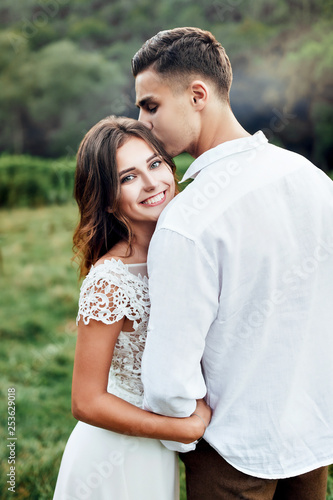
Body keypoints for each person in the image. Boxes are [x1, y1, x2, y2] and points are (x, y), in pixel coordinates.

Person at [131, 27, 333, 499]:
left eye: (150, 105)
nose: (141, 122)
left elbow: (168, 379)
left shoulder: (186, 219)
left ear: (197, 94)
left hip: (230, 453)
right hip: (312, 436)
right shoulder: (313, 181)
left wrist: (187, 423)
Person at [52, 116, 211, 500]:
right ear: (107, 198)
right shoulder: (110, 280)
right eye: (129, 177)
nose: (152, 182)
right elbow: (85, 400)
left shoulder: (185, 251)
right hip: (115, 457)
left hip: (155, 453)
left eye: (155, 164)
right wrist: (181, 429)